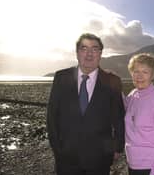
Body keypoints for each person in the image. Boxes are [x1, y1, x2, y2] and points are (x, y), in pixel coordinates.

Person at [47, 33, 125, 175]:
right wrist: (57, 149)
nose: (89, 54)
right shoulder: (61, 77)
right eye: (84, 48)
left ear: (100, 54)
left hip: (100, 159)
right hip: (66, 159)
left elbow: (119, 118)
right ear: (77, 53)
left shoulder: (113, 81)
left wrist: (117, 147)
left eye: (94, 49)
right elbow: (52, 116)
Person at [124, 53, 154, 175]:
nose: (139, 76)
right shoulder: (133, 94)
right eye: (136, 71)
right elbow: (123, 105)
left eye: (145, 72)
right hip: (133, 163)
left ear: (153, 75)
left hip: (150, 165)